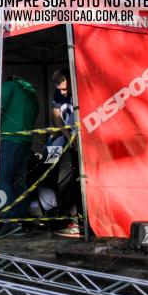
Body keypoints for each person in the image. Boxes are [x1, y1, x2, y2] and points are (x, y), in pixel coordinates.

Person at [0, 75, 39, 238]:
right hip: (25, 141)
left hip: (10, 139)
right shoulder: (31, 94)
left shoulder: (9, 87)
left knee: (2, 180)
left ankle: (10, 221)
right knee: (18, 182)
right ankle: (20, 222)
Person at [48, 68, 82, 238]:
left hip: (79, 140)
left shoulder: (80, 89)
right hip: (64, 140)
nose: (63, 91)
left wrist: (74, 138)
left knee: (72, 180)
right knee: (57, 178)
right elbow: (56, 117)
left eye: (65, 88)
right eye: (60, 88)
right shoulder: (57, 94)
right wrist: (68, 136)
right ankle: (65, 218)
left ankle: (76, 221)